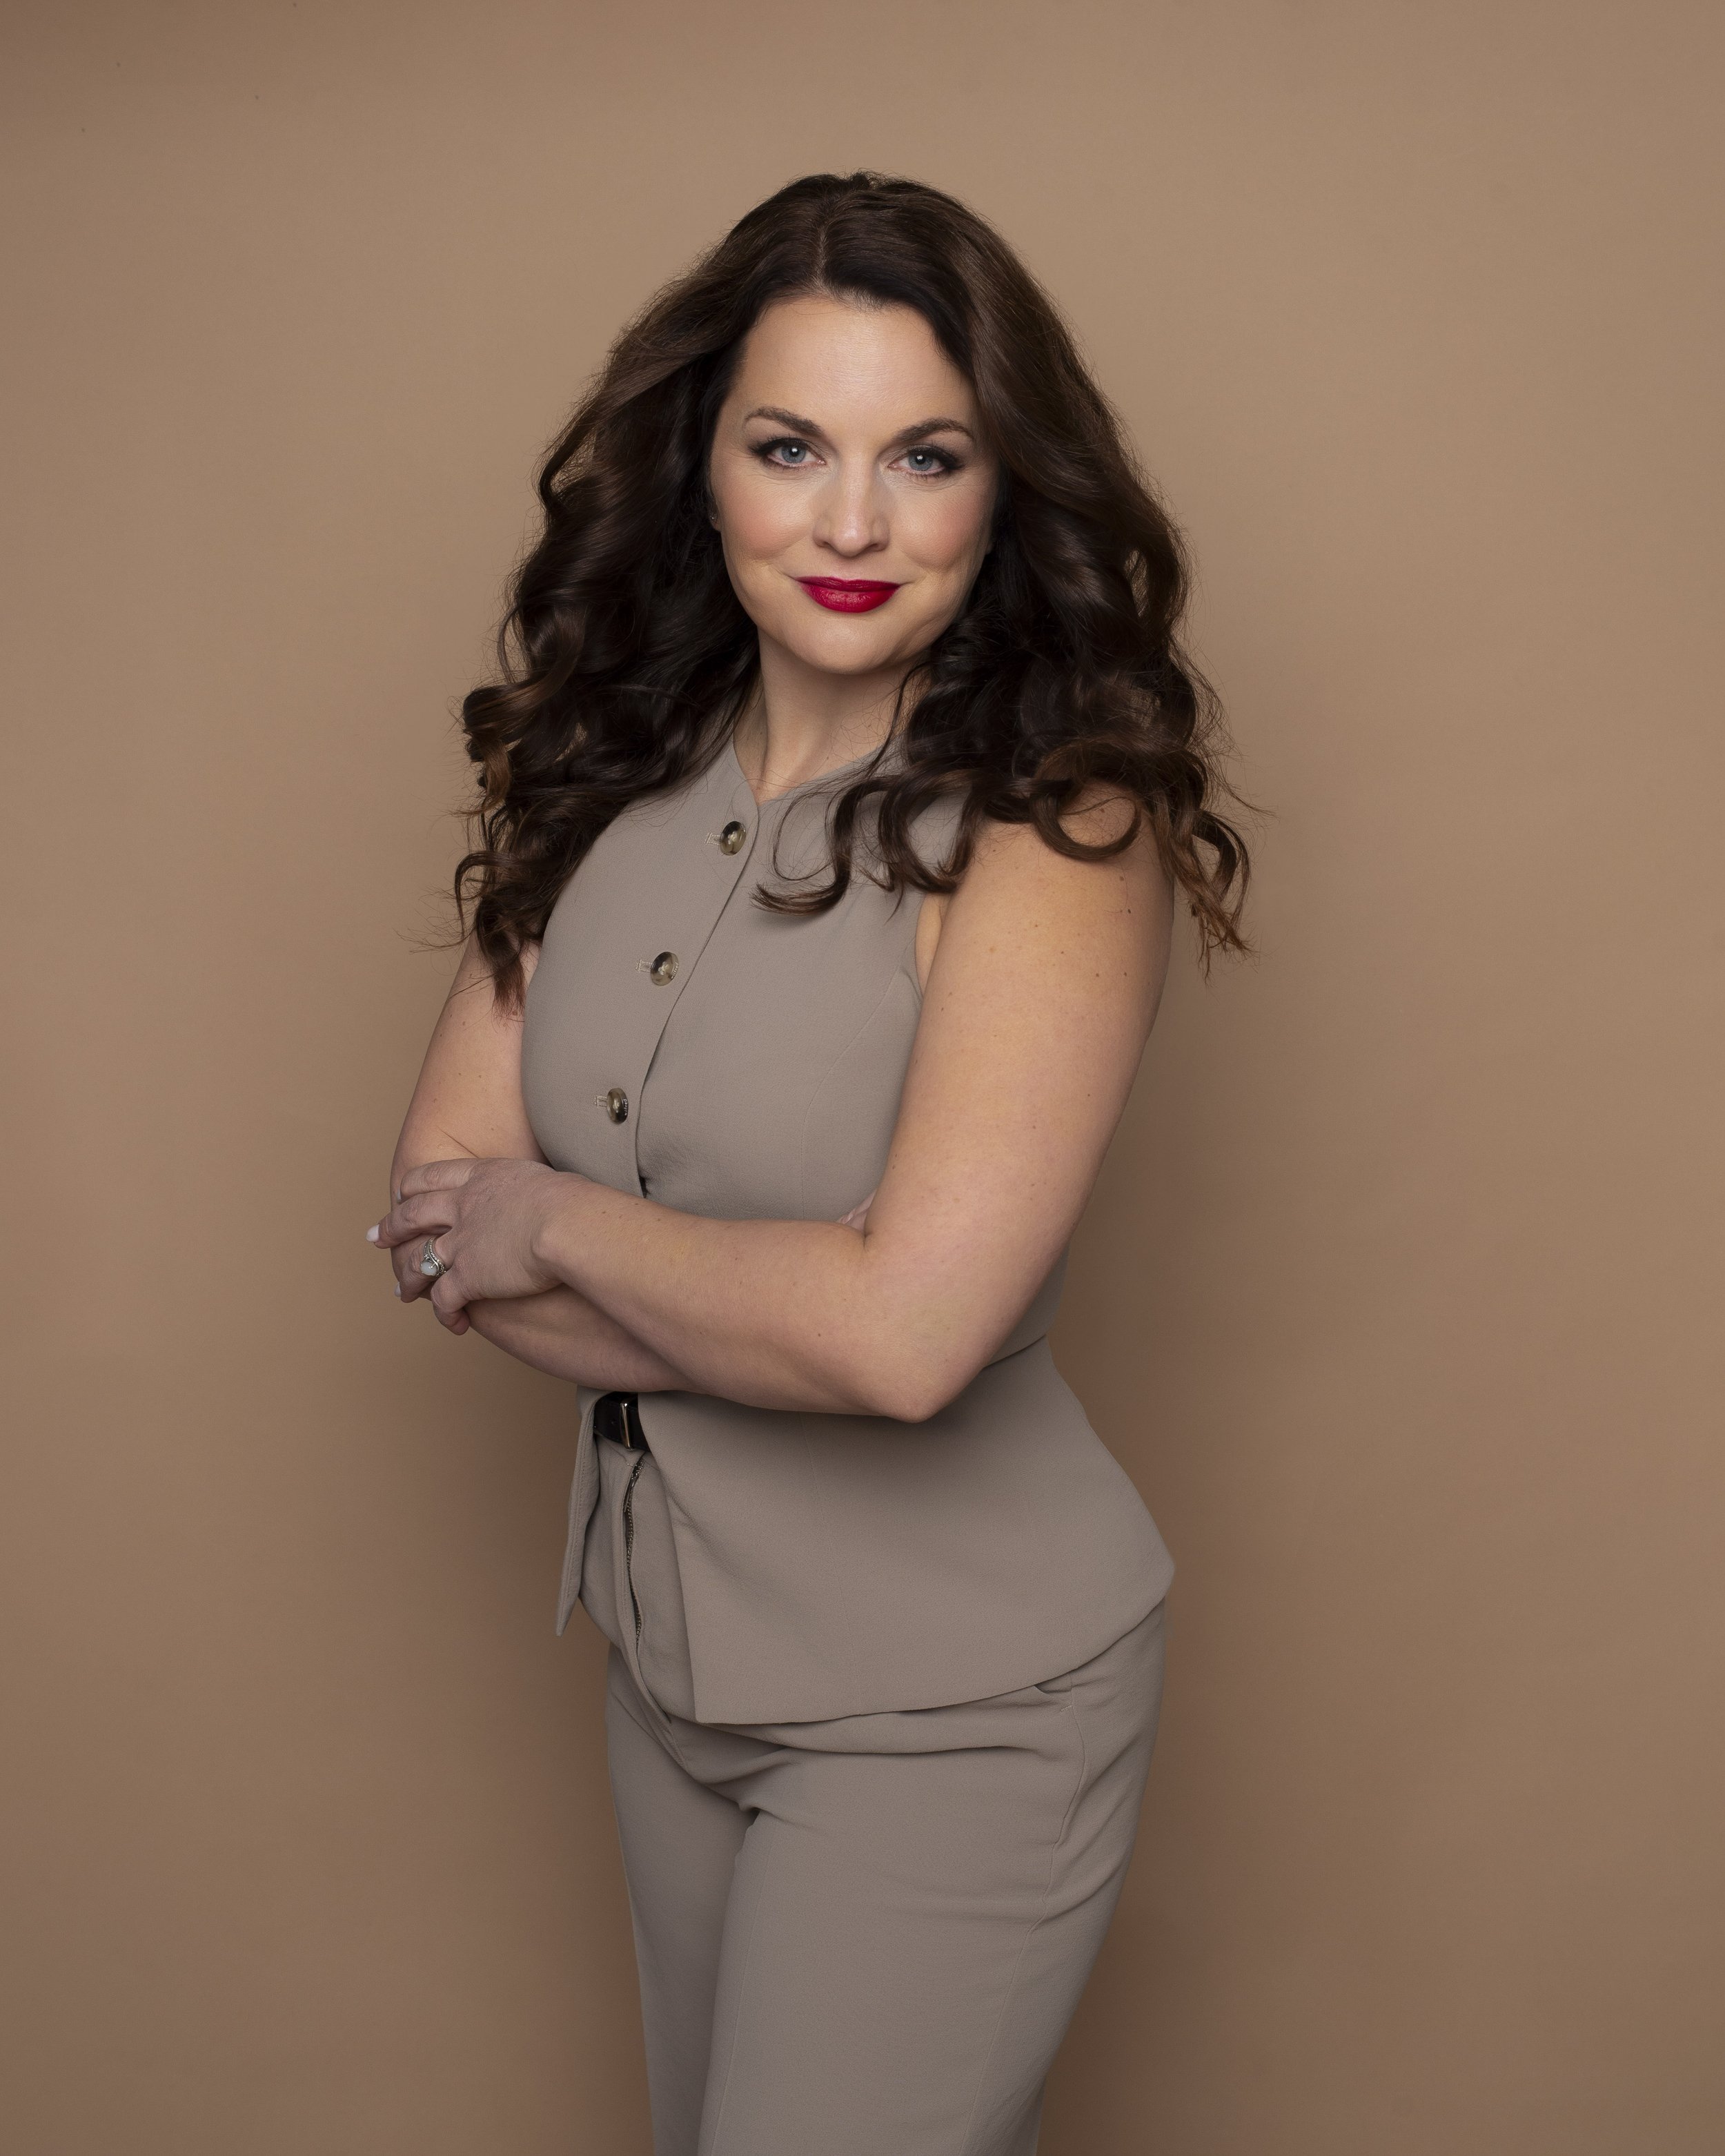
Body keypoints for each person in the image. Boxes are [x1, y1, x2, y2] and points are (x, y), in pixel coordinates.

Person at [368, 170, 1247, 2156]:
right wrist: (792, 1300)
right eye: (791, 447)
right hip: (673, 1665)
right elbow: (429, 1217)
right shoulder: (599, 767)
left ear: (1002, 488)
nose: (850, 523)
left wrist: (562, 1225)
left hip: (960, 1704)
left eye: (923, 456)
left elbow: (910, 1347)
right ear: (702, 468)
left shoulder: (1051, 828)